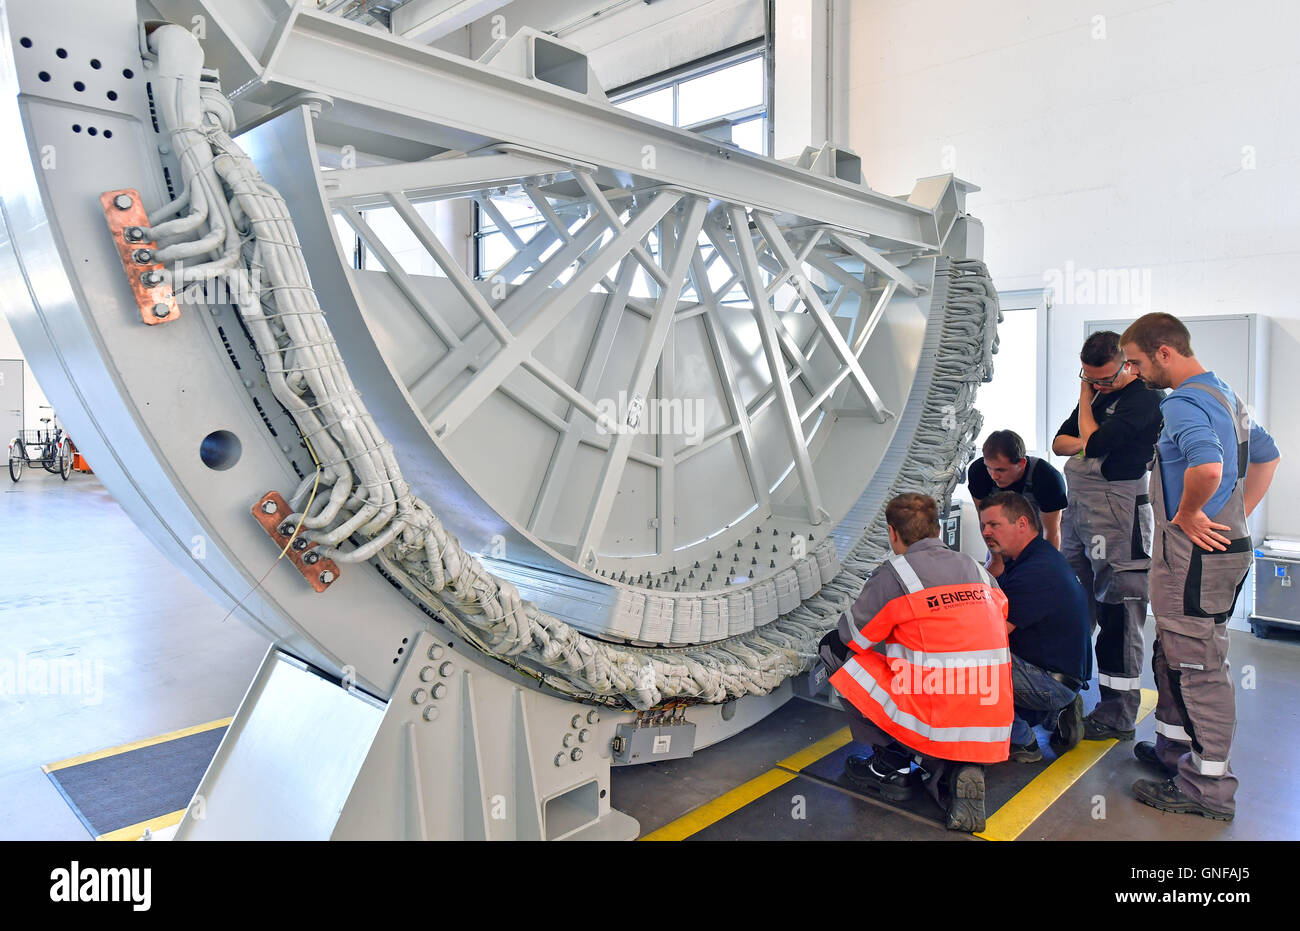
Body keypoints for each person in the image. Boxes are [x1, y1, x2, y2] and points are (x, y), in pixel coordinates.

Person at [1120, 313, 1280, 821]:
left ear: (1165, 352)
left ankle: (1207, 790)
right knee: (1176, 652)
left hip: (1192, 558)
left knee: (1198, 664)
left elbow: (1208, 466)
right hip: (1215, 551)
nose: (1134, 372)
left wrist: (1191, 513)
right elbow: (1268, 457)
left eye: (1137, 361)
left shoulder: (1185, 402)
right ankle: (1173, 752)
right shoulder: (1225, 395)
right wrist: (1235, 514)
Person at [818, 492, 1012, 833]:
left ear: (893, 533)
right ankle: (956, 770)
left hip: (935, 715)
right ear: (937, 529)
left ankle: (889, 766)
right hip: (992, 721)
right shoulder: (977, 570)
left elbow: (852, 636)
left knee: (834, 651)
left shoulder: (897, 574)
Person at [1052, 331, 1164, 741]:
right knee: (1072, 601)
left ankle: (1117, 712)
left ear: (1127, 365)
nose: (1098, 385)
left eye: (1104, 378)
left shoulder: (1146, 400)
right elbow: (1060, 442)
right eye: (1090, 378)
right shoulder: (1099, 395)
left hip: (1119, 513)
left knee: (1118, 610)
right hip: (1081, 510)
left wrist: (1086, 405)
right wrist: (1092, 397)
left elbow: (1095, 443)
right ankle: (1064, 690)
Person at [979, 492, 1092, 761]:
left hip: (1049, 680)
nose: (986, 532)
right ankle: (1055, 715)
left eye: (994, 525)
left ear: (1022, 523)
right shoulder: (1034, 555)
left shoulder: (1035, 571)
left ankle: (1022, 741)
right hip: (1060, 671)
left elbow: (992, 636)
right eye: (983, 526)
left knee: (965, 667)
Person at [967, 429, 1068, 575]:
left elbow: (1052, 532)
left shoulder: (1048, 478)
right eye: (989, 468)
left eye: (1001, 470)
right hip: (999, 541)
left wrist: (1047, 569)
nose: (994, 476)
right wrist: (996, 560)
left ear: (1021, 463)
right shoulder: (978, 472)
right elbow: (985, 522)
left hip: (1039, 542)